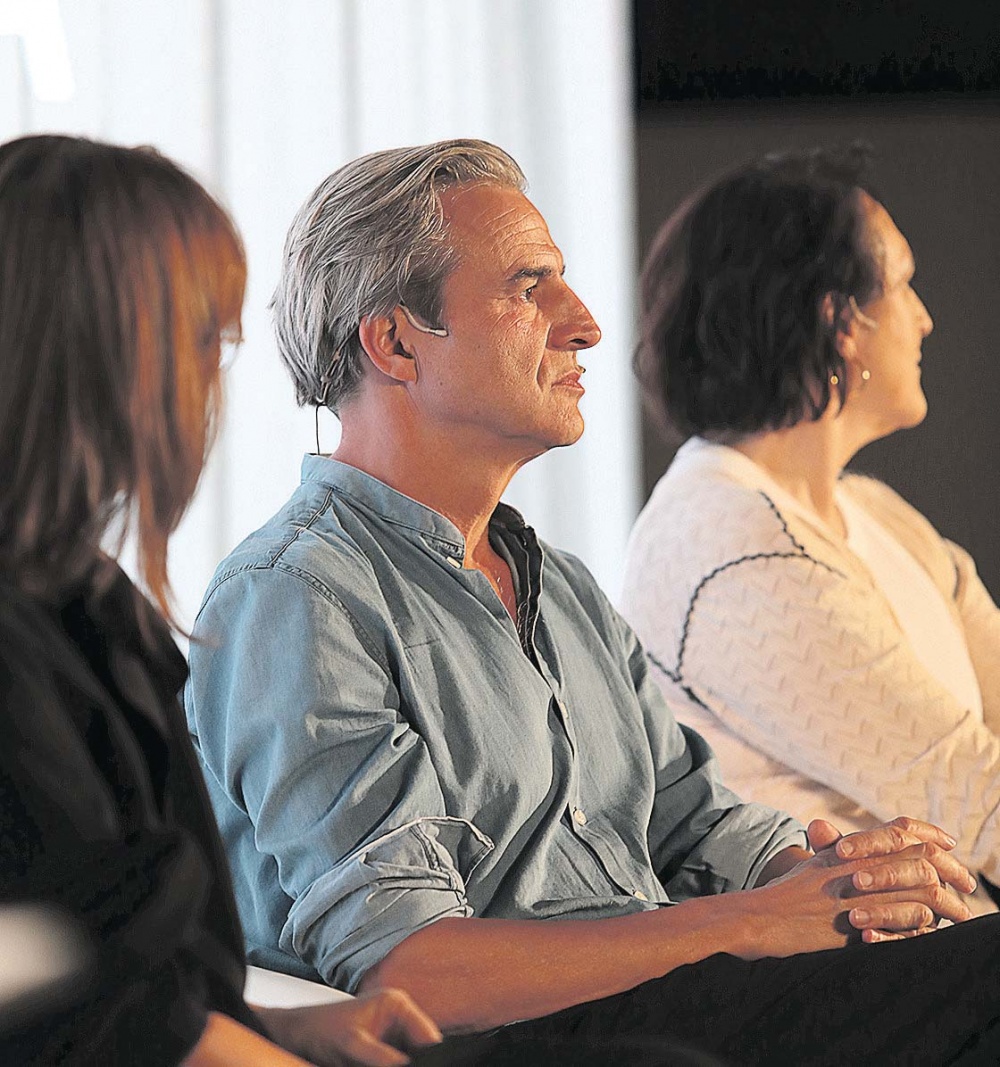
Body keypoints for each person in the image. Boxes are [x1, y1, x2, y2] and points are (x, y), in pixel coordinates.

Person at [185, 137, 1000, 1065]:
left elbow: (698, 821)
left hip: (682, 1005)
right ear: (396, 340)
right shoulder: (296, 596)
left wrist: (845, 877)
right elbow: (411, 968)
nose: (584, 324)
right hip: (548, 1040)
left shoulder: (563, 587)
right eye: (528, 286)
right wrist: (754, 922)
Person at [0, 133, 444, 1066]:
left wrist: (286, 1028)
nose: (211, 378)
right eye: (204, 337)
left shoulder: (92, 603)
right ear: (98, 345)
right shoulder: (28, 634)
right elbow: (88, 1013)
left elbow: (143, 981)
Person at [620, 145, 1000, 916]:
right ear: (839, 319)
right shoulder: (727, 539)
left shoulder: (877, 513)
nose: (925, 317)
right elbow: (971, 797)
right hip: (866, 974)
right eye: (902, 285)